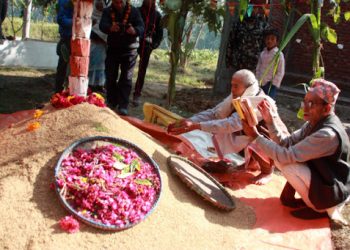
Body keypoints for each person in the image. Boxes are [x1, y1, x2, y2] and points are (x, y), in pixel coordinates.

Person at [242, 79, 350, 224]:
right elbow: (286, 143)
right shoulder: (312, 123)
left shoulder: (327, 134)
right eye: (304, 101)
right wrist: (270, 121)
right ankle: (314, 201)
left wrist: (255, 136)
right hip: (323, 178)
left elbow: (286, 155)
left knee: (287, 165)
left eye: (311, 103)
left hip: (333, 190)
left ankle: (321, 209)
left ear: (326, 109)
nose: (304, 107)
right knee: (281, 159)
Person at [168, 69, 283, 185]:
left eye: (236, 86)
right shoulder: (239, 95)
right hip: (251, 136)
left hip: (275, 144)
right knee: (245, 131)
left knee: (253, 133)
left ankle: (267, 171)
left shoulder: (259, 101)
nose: (232, 90)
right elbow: (215, 113)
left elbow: (231, 125)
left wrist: (196, 126)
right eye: (232, 85)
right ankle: (252, 163)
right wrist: (190, 121)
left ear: (247, 87)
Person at [99, 0, 144, 116]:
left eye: (120, 2)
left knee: (126, 78)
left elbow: (141, 27)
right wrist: (110, 27)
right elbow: (102, 25)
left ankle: (123, 105)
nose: (118, 5)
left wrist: (135, 30)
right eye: (116, 2)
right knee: (110, 75)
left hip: (130, 50)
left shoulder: (134, 11)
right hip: (113, 49)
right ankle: (111, 102)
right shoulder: (107, 11)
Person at [132, 0, 163, 107]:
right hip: (134, 43)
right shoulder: (136, 11)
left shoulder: (157, 15)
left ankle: (137, 94)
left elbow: (159, 34)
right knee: (127, 68)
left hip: (147, 46)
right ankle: (123, 92)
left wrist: (153, 45)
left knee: (142, 70)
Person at [226, 7, 268, 71]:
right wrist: (228, 61)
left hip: (256, 65)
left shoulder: (263, 25)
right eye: (249, 7)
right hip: (239, 63)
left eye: (254, 8)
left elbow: (266, 45)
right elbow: (231, 43)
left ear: (258, 9)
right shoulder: (238, 24)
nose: (252, 10)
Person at [88, 0, 111, 93]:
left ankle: (100, 84)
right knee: (94, 60)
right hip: (94, 29)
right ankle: (90, 83)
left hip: (107, 32)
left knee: (103, 62)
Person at [256, 28, 285, 99]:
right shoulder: (262, 53)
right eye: (267, 38)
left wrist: (273, 83)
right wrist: (257, 79)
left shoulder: (278, 54)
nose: (269, 41)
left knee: (267, 102)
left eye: (272, 39)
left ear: (277, 41)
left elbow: (280, 71)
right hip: (260, 82)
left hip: (270, 84)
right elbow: (258, 67)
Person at [55, 0, 73, 93]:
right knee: (62, 67)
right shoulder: (64, 1)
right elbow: (60, 19)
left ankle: (73, 92)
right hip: (67, 38)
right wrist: (75, 22)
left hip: (80, 39)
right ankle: (58, 93)